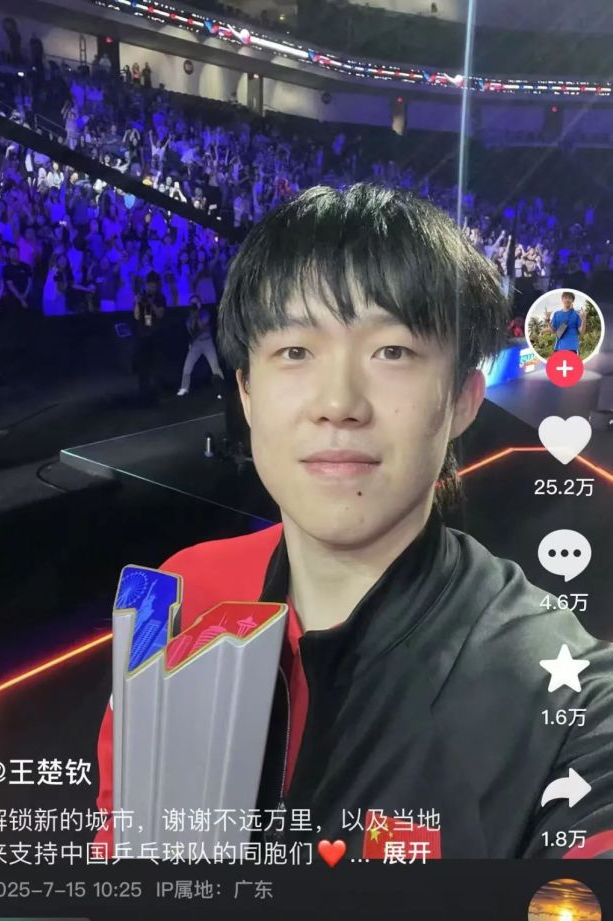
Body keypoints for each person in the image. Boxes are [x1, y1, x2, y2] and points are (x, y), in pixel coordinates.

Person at [94, 184, 613, 860]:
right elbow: (121, 839)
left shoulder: (563, 695)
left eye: (392, 351)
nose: (338, 403)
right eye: (294, 351)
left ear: (463, 399)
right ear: (246, 391)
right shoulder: (179, 592)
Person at [176, 295, 224, 397]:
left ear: (199, 303)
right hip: (196, 345)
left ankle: (221, 389)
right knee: (187, 367)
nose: (193, 305)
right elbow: (192, 331)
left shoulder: (205, 313)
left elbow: (202, 326)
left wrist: (197, 314)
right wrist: (193, 316)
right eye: (191, 303)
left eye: (195, 303)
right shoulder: (189, 319)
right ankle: (184, 388)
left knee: (215, 367)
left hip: (207, 342)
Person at [133, 270, 166, 402]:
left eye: (153, 285)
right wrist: (137, 302)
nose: (151, 287)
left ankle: (157, 393)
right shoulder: (141, 296)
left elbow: (160, 314)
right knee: (142, 366)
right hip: (142, 334)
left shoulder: (160, 297)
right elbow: (136, 316)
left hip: (155, 334)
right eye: (149, 285)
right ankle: (143, 394)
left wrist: (151, 304)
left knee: (156, 365)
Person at [545, 290, 585, 355]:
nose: (567, 299)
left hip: (572, 348)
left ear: (572, 300)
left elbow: (582, 332)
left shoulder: (577, 314)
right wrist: (548, 321)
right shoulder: (556, 314)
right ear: (562, 299)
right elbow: (553, 331)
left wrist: (584, 320)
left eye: (570, 298)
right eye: (565, 298)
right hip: (558, 347)